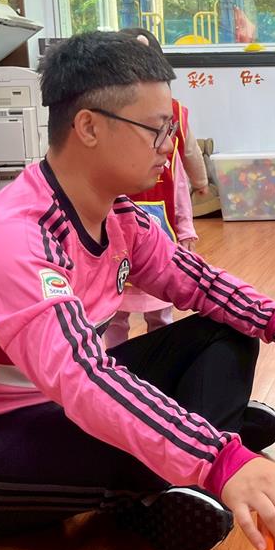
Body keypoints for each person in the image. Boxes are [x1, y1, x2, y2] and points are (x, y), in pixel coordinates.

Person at [0, 31, 275, 550]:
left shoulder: (120, 216)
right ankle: (200, 444)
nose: (169, 144)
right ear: (89, 127)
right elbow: (82, 378)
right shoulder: (15, 238)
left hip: (53, 406)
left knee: (225, 329)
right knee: (133, 429)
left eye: (172, 128)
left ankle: (184, 458)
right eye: (157, 129)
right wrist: (219, 459)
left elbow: (197, 280)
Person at [107, 27, 199, 346]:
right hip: (113, 233)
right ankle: (115, 362)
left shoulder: (173, 116)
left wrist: (185, 229)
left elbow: (181, 178)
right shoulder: (106, 118)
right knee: (113, 311)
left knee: (160, 308)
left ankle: (158, 360)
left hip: (160, 228)